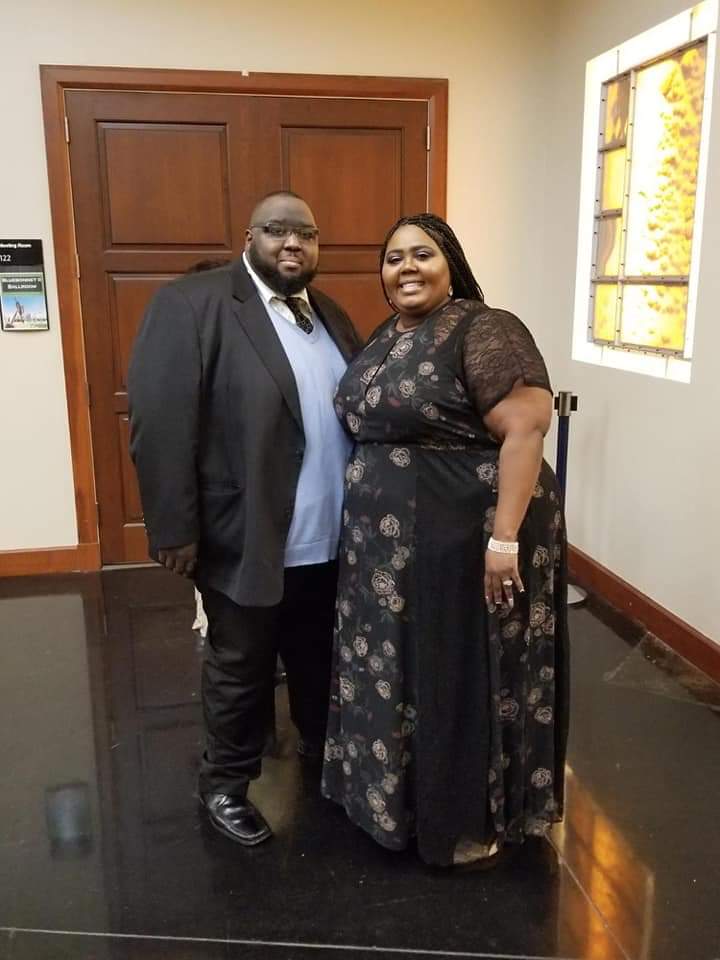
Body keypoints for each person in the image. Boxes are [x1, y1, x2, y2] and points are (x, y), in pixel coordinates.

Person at [321, 213, 569, 867]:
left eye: (421, 254)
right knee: (403, 667)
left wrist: (504, 541)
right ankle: (398, 803)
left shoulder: (484, 328)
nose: (406, 267)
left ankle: (465, 819)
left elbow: (525, 429)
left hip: (466, 535)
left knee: (455, 669)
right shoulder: (389, 334)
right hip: (393, 549)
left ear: (450, 264)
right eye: (393, 257)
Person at [128, 191, 361, 846]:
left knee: (318, 655)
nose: (294, 244)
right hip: (246, 533)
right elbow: (160, 424)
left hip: (330, 536)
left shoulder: (331, 315)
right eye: (278, 230)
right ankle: (225, 785)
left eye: (307, 234)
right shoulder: (192, 305)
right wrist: (174, 528)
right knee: (241, 667)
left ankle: (323, 754)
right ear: (250, 237)